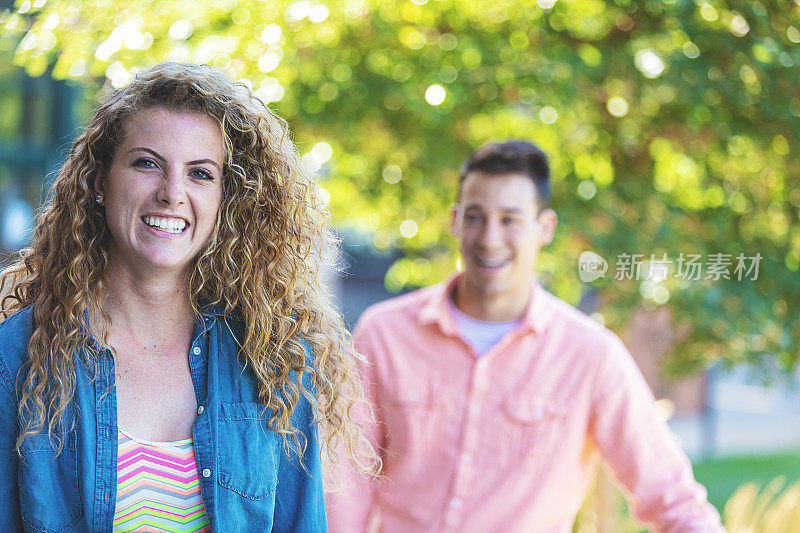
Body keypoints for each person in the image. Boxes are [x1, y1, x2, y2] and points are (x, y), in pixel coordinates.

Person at [0, 62, 372, 532]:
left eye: (200, 174)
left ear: (224, 199)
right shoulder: (20, 354)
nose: (172, 193)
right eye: (146, 163)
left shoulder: (273, 359)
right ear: (100, 183)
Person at [326, 141, 725, 532]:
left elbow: (670, 495)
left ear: (544, 227)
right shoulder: (384, 333)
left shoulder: (590, 355)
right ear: (455, 220)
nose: (490, 238)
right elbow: (345, 486)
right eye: (476, 216)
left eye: (510, 219)